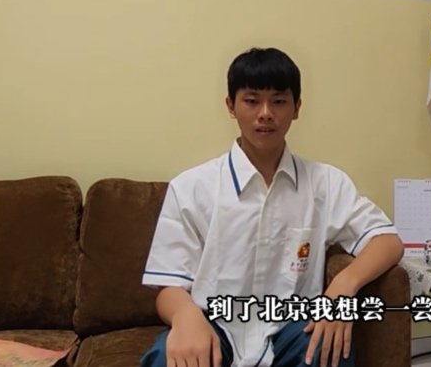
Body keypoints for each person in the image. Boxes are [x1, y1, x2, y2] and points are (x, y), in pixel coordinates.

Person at [140, 47, 404, 367]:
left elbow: (387, 241)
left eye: (278, 101)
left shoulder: (325, 183)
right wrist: (185, 315)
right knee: (164, 358)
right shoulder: (191, 188)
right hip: (216, 325)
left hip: (290, 327)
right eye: (252, 101)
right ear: (231, 106)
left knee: (330, 350)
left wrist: (343, 286)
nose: (265, 113)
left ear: (296, 108)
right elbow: (169, 285)